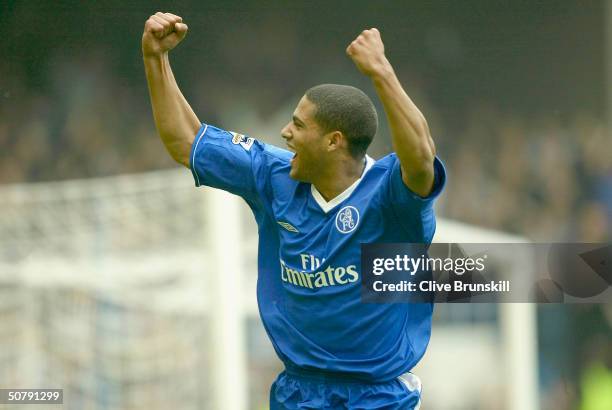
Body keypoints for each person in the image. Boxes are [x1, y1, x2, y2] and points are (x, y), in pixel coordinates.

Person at [142, 11, 446, 410]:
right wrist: (154, 59)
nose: (285, 133)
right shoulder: (273, 176)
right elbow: (186, 142)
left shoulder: (392, 196)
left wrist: (381, 73)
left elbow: (421, 158)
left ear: (334, 141)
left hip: (379, 397)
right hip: (298, 392)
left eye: (299, 125)